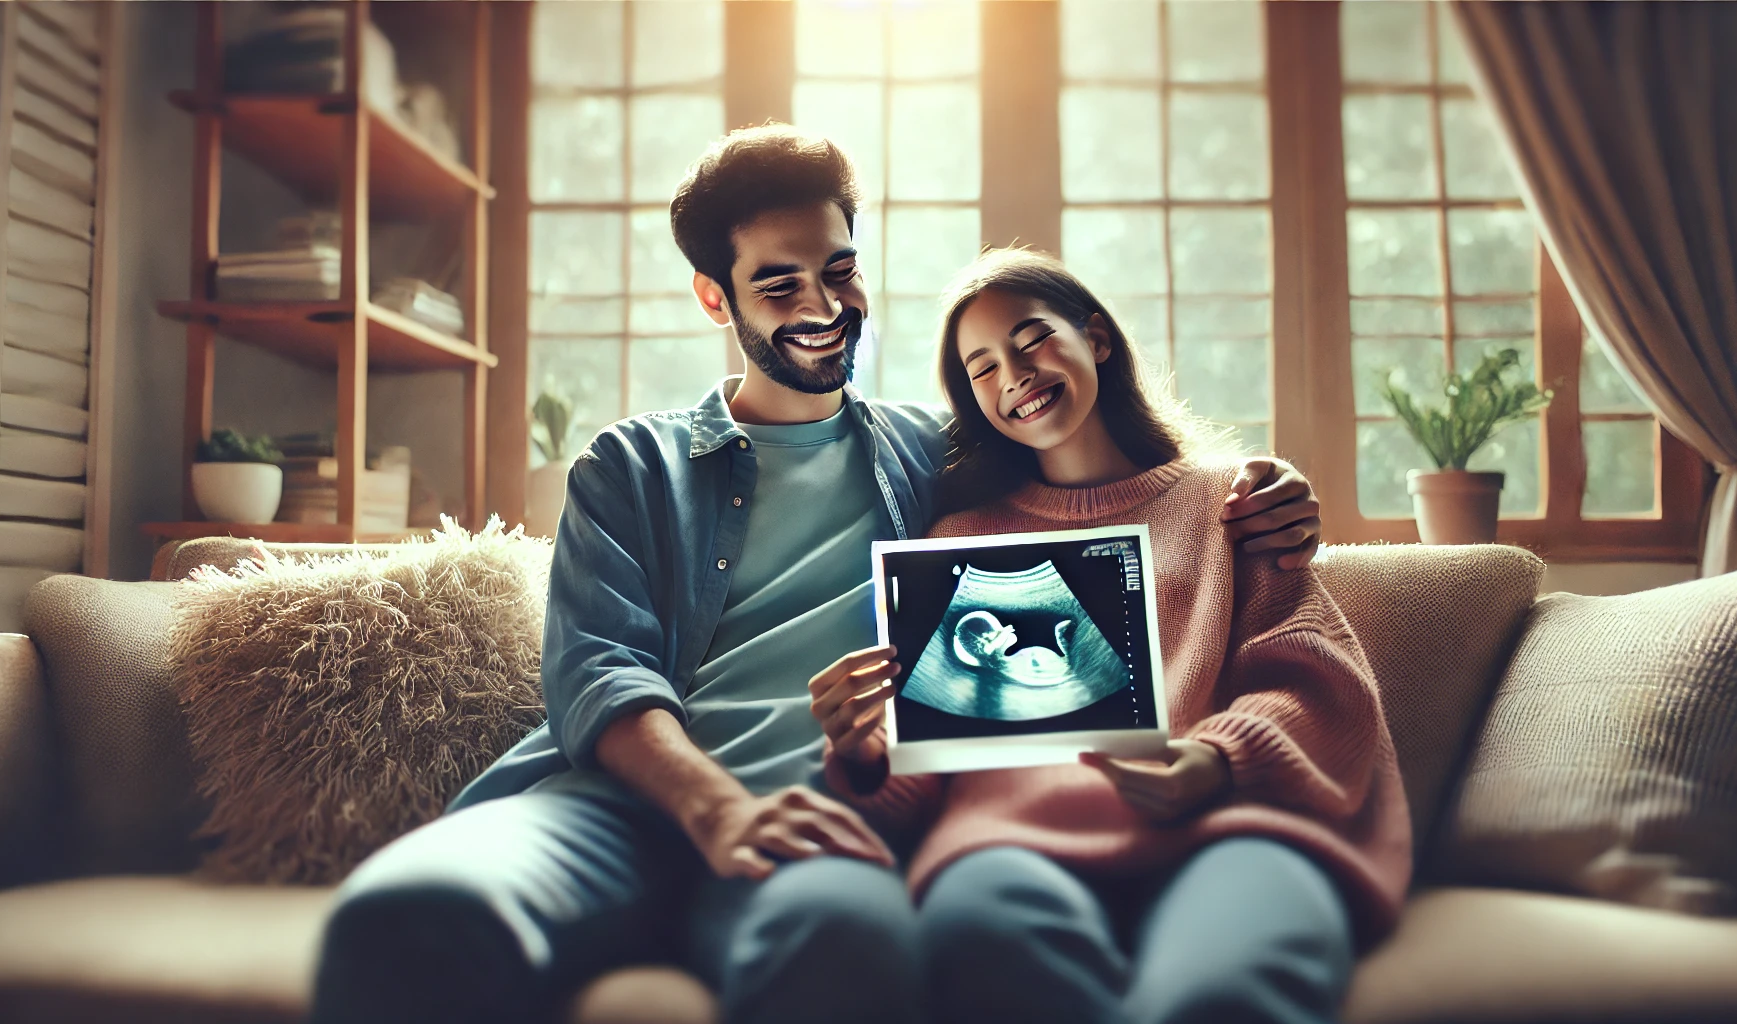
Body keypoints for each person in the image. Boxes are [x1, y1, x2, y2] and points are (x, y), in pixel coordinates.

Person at [310, 126, 1326, 1024]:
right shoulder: (630, 465)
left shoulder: (942, 457)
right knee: (406, 913)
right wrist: (714, 808)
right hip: (611, 811)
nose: (821, 307)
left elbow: (1101, 475)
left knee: (850, 943)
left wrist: (1260, 492)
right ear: (715, 295)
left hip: (824, 822)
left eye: (838, 271)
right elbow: (597, 672)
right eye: (779, 284)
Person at [810, 249, 1411, 1024]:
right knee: (977, 936)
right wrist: (862, 752)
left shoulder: (1230, 505)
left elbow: (1315, 680)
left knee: (1218, 998)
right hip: (1008, 847)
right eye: (983, 368)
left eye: (1030, 339)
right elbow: (928, 763)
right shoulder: (959, 539)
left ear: (1095, 337)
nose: (1014, 375)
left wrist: (1214, 760)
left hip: (1227, 833)